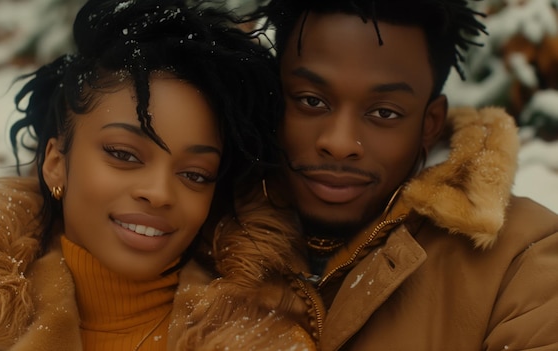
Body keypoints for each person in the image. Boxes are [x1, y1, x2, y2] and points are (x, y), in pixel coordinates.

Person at [174, 0, 558, 350]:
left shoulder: (523, 259)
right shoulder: (187, 221)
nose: (340, 143)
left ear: (430, 123)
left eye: (384, 113)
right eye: (312, 101)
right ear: (275, 95)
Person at [0, 0, 315, 350]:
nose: (159, 192)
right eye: (123, 154)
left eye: (196, 174)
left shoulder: (264, 341)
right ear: (54, 163)